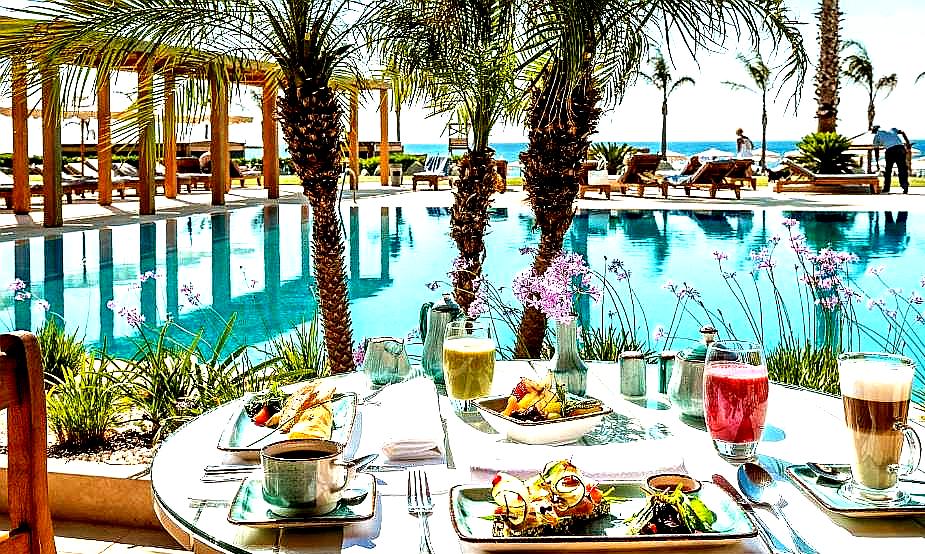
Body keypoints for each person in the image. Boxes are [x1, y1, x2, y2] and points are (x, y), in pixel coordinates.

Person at [871, 125, 909, 194]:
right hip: (900, 148)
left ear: (875, 131)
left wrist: (877, 161)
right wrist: (908, 143)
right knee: (902, 169)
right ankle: (905, 186)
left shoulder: (876, 136)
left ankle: (886, 189)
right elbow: (903, 132)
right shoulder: (892, 129)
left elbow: (876, 150)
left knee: (888, 170)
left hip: (890, 151)